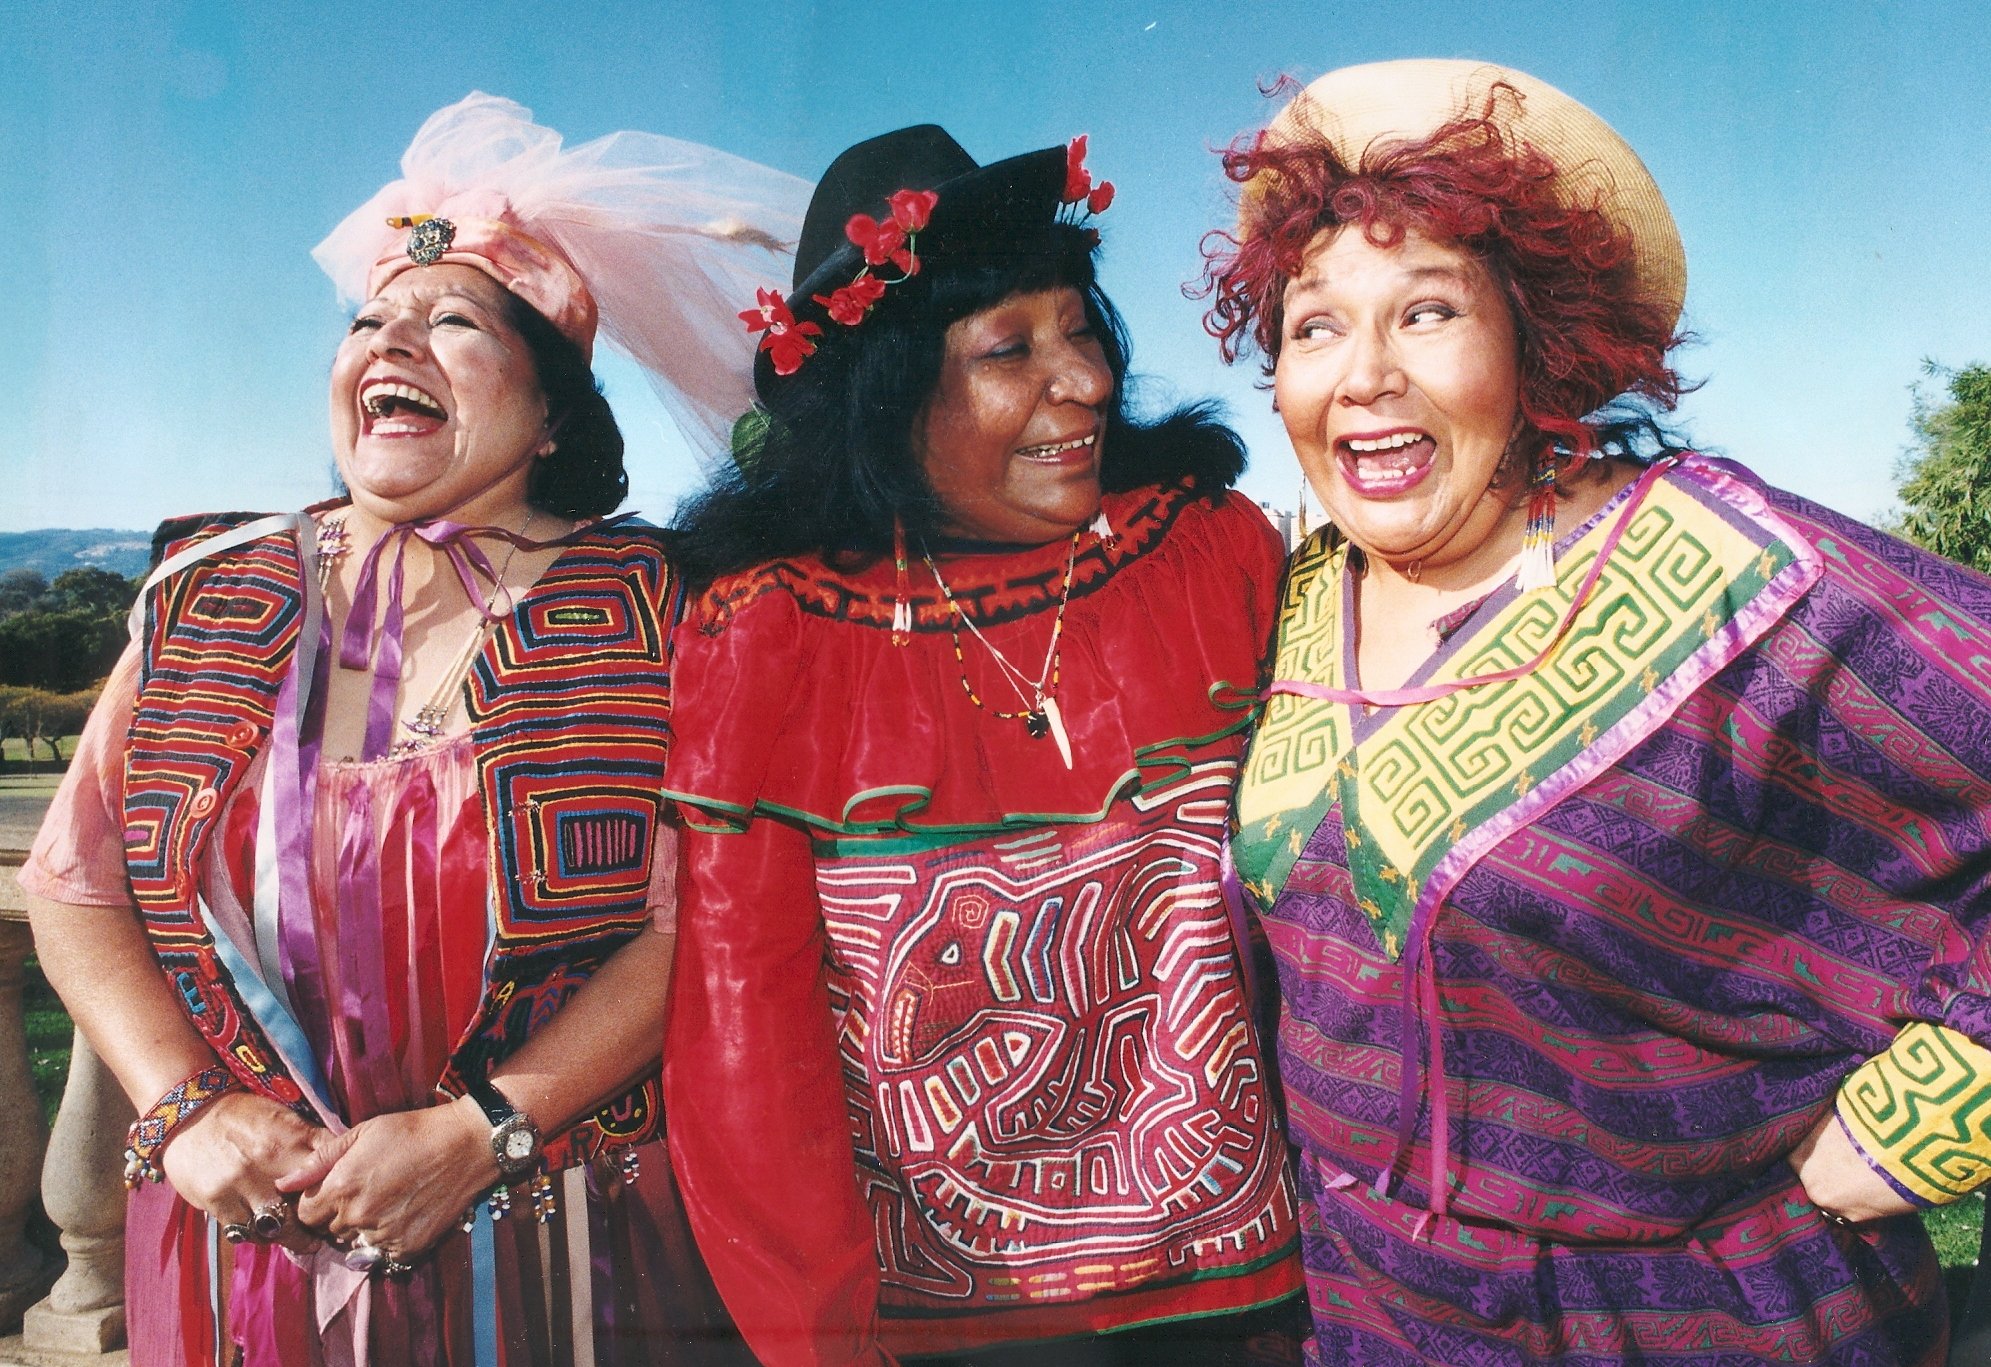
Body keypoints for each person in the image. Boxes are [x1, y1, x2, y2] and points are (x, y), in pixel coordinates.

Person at [1204, 58, 1991, 1365]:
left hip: (1703, 1321)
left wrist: (1936, 1102)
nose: (1363, 374)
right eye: (1313, 323)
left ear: (1531, 342)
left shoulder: (1732, 575)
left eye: (1428, 311)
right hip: (1369, 1321)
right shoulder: (1288, 603)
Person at [21, 93, 805, 1365]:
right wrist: (187, 1107)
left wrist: (477, 1132)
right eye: (370, 320)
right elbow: (75, 883)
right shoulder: (202, 590)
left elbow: (705, 912)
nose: (394, 339)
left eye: (450, 319)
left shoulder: (660, 605)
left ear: (551, 411)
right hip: (241, 1255)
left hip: (568, 1245)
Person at [663, 126, 1304, 1365]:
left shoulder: (1209, 553)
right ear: (887, 395)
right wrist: (822, 1342)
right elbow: (749, 1042)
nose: (1083, 381)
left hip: (1246, 1293)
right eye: (1011, 351)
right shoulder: (774, 632)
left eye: (1079, 331)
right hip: (950, 1330)